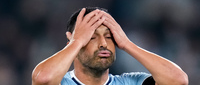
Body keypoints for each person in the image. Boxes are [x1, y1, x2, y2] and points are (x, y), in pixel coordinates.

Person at [32, 7, 188, 85]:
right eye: (92, 37)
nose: (103, 44)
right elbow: (43, 79)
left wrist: (127, 44)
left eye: (109, 36)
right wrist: (77, 42)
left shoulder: (131, 82)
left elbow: (178, 80)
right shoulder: (62, 82)